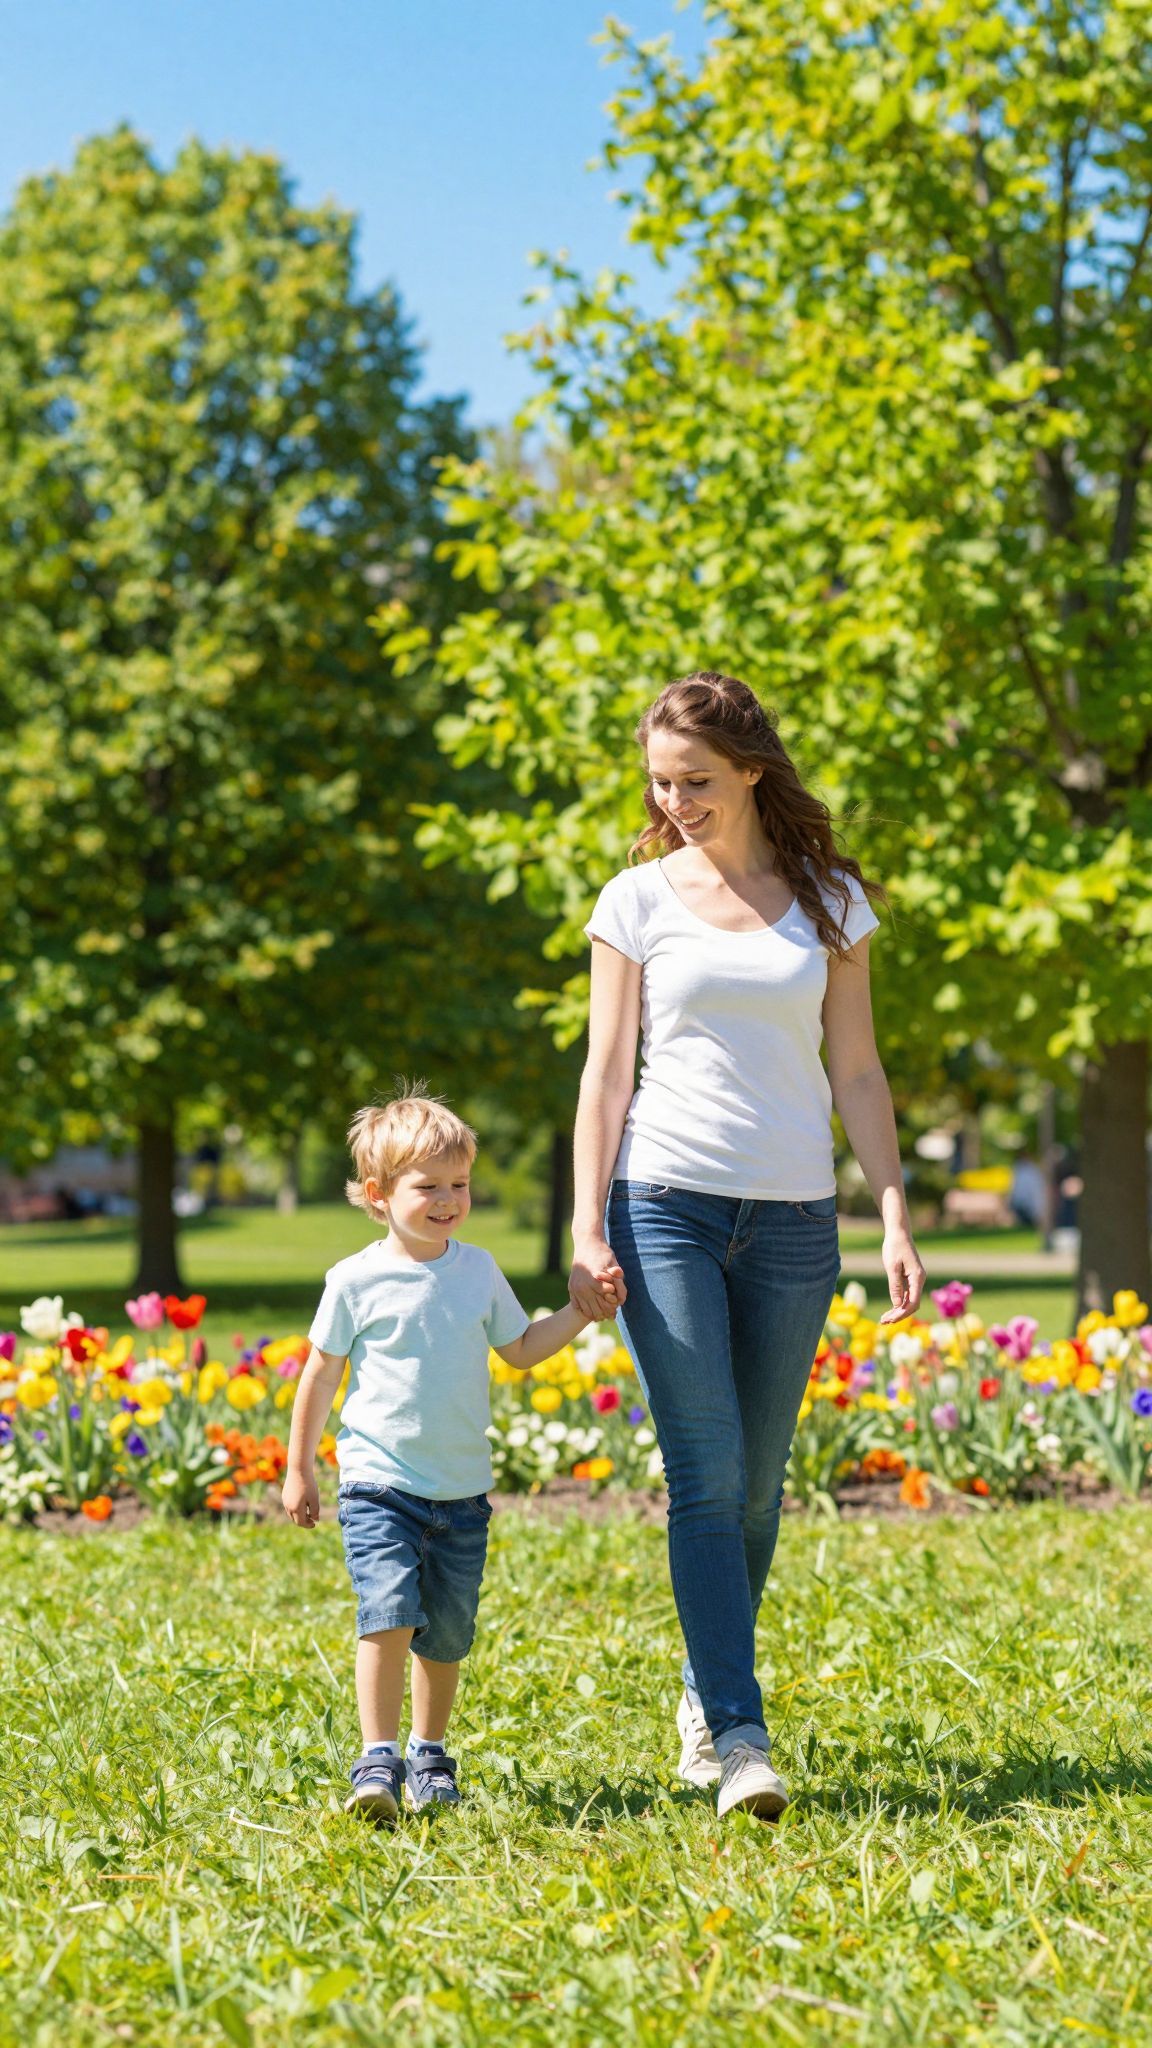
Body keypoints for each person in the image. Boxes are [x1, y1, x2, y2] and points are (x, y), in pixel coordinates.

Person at [569, 672, 926, 1822]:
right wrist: (585, 1220)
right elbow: (606, 1073)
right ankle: (738, 1732)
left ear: (753, 770)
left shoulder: (830, 899)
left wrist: (894, 1204)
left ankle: (701, 1685)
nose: (676, 802)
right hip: (662, 1200)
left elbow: (858, 1068)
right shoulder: (634, 900)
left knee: (760, 1486)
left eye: (699, 781)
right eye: (661, 782)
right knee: (706, 1472)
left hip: (792, 1217)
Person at [283, 1085, 603, 1823]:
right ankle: (378, 1757)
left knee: (447, 1634)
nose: (449, 1199)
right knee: (387, 1613)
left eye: (460, 1184)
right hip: (378, 1485)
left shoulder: (478, 1270)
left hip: (461, 1492)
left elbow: (521, 1350)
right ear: (377, 1194)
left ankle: (430, 1752)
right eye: (428, 1187)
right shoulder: (355, 1280)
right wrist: (299, 1466)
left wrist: (580, 1313)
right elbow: (320, 1374)